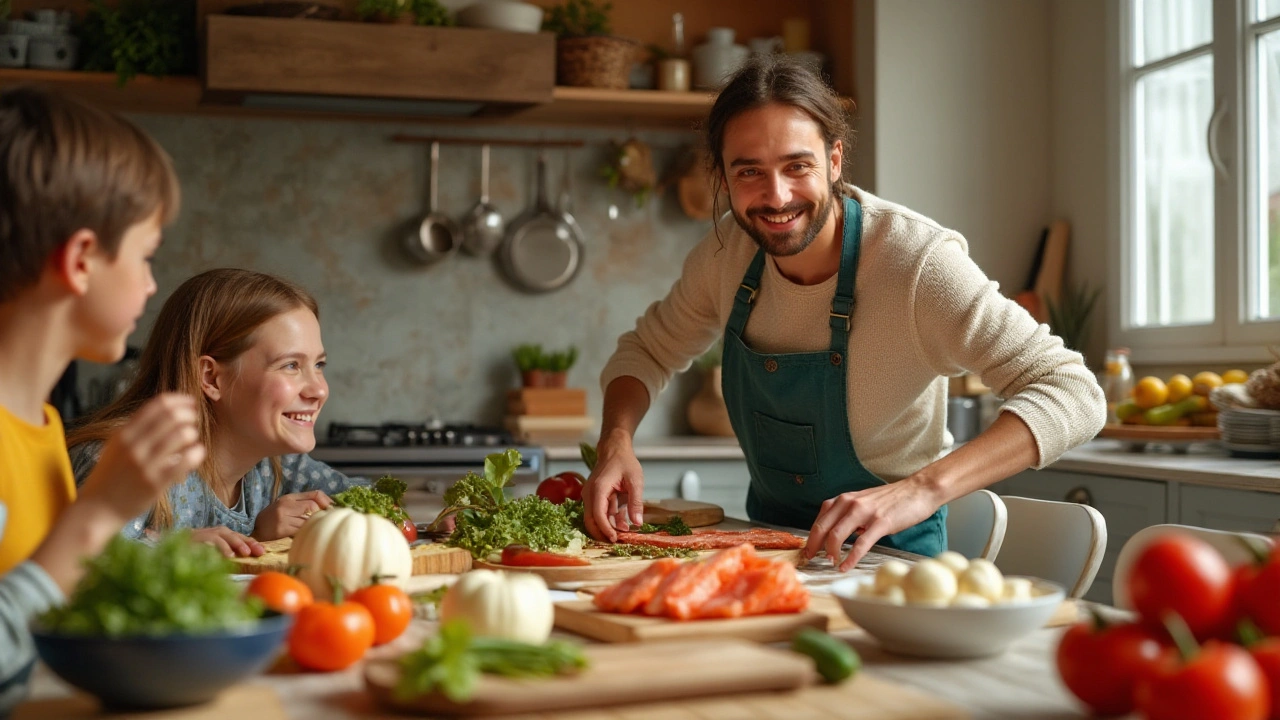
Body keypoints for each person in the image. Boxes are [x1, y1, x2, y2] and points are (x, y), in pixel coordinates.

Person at [582, 56, 1106, 570]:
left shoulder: (916, 263)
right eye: (749, 172)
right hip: (766, 550)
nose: (776, 195)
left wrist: (921, 489)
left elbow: (1073, 391)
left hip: (890, 557)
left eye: (797, 166)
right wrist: (616, 442)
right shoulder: (724, 256)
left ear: (834, 161)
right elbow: (647, 350)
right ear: (723, 174)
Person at [0, 86, 205, 713]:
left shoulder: (41, 425)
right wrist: (97, 514)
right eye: (146, 256)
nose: (150, 285)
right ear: (83, 259)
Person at [67, 268, 364, 557]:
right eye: (291, 365)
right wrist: (180, 550)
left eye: (318, 365)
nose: (318, 390)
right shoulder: (124, 460)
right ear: (211, 378)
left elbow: (373, 504)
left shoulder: (274, 467)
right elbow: (82, 565)